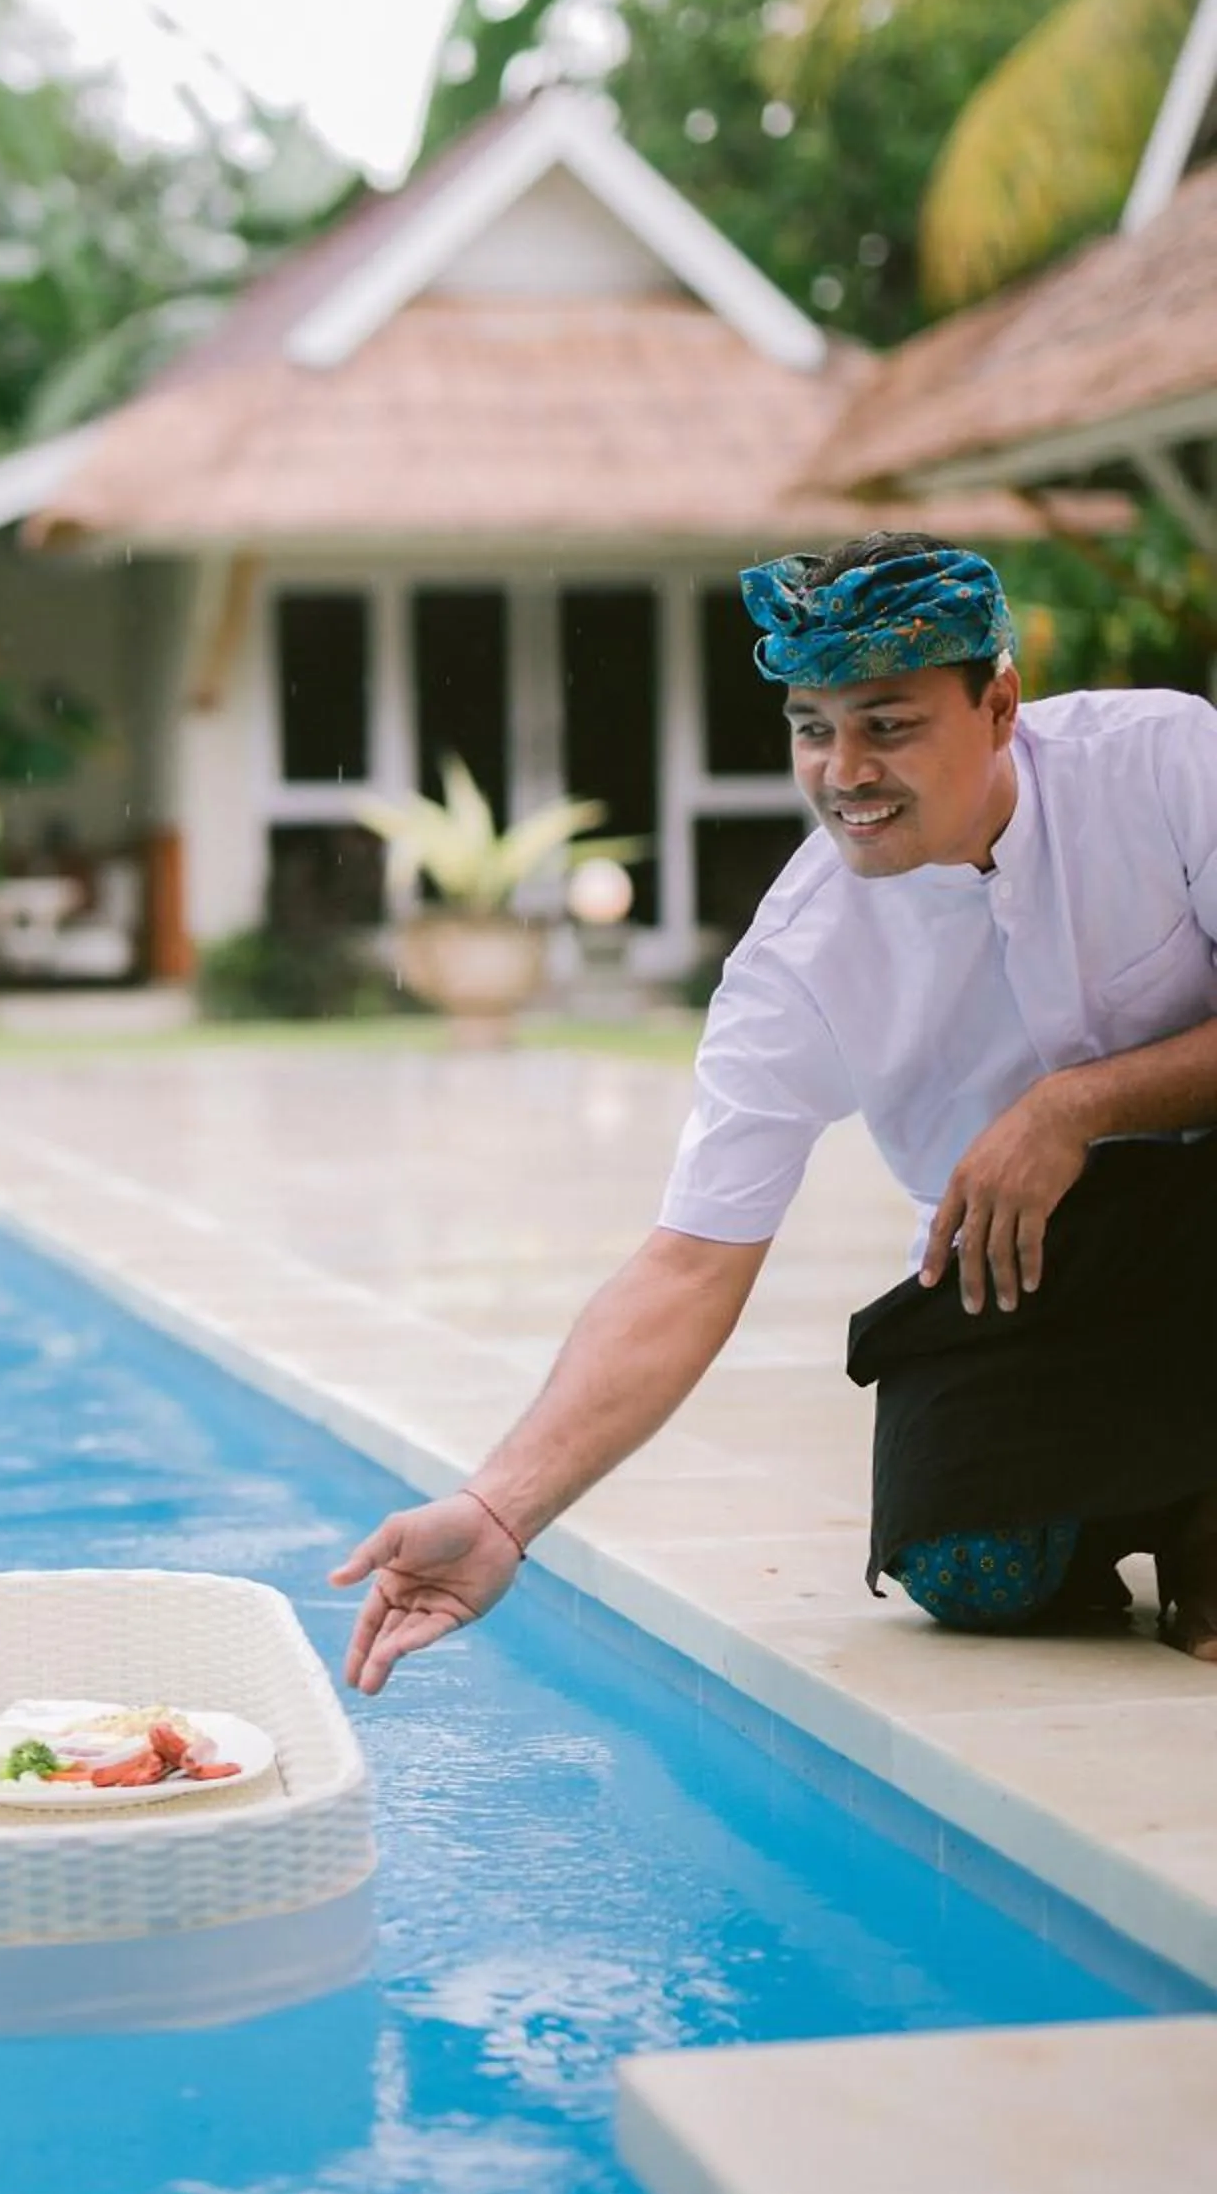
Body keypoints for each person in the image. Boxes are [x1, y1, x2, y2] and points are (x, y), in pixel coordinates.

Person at [333, 531, 1217, 1695]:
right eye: (812, 728)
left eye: (886, 724)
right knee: (968, 1571)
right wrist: (498, 1511)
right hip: (1025, 1271)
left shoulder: (1164, 765)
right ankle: (1149, 1494)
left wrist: (1073, 1105)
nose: (842, 770)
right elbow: (690, 1261)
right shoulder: (797, 960)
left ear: (997, 703)